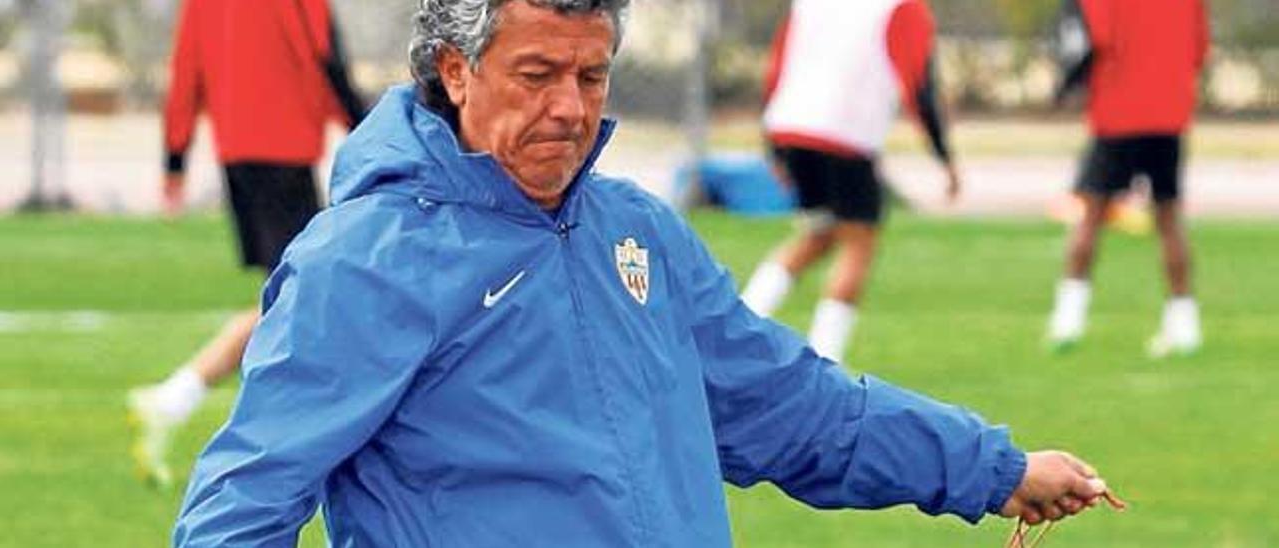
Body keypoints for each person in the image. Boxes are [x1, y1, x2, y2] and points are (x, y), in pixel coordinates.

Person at [173, 1, 1111, 545]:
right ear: (456, 70)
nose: (569, 109)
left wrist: (991, 467)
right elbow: (240, 505)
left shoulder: (638, 234)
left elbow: (794, 410)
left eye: (591, 77)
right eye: (537, 75)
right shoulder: (361, 263)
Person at [126, 0, 366, 488]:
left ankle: (180, 397)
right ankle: (187, 401)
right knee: (303, 298)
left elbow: (186, 68)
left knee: (296, 299)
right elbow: (326, 57)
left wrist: (174, 159)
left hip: (237, 152)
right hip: (285, 148)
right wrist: (372, 134)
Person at [740, 0, 961, 362]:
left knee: (819, 235)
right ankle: (826, 360)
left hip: (791, 127)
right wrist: (944, 157)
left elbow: (777, 67)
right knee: (859, 242)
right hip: (846, 135)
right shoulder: (902, 7)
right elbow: (918, 85)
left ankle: (740, 326)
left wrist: (774, 148)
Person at [1045, 0, 1209, 357]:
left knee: (1091, 215)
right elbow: (1198, 50)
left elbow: (1091, 37)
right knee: (1169, 217)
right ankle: (1184, 324)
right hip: (1168, 111)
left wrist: (1067, 85)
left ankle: (1067, 319)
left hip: (1117, 111)